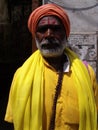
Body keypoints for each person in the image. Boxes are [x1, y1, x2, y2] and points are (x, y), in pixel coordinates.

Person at [4, 3, 98, 130]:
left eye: (56, 29)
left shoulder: (87, 74)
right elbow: (13, 122)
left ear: (66, 33)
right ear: (35, 35)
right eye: (42, 29)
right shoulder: (21, 76)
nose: (48, 34)